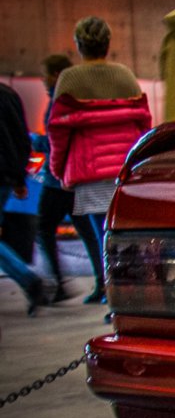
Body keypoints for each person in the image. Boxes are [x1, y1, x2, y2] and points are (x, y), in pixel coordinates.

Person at [48, 17, 152, 306]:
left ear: (79, 46)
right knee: (126, 238)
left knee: (102, 239)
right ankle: (133, 298)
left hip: (89, 173)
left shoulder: (69, 80)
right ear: (108, 44)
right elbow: (145, 126)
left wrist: (58, 170)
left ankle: (114, 300)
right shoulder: (125, 76)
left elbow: (57, 132)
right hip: (123, 169)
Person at [33, 53, 104, 303]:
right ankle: (102, 282)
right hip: (75, 178)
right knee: (88, 231)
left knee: (44, 227)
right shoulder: (79, 97)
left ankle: (57, 283)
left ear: (55, 75)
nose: (42, 79)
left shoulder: (58, 101)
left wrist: (37, 142)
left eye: (45, 74)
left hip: (58, 179)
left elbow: (55, 139)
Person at [1, 81, 52, 315]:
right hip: (7, 175)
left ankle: (28, 278)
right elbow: (21, 138)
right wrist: (19, 178)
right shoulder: (9, 94)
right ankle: (28, 278)